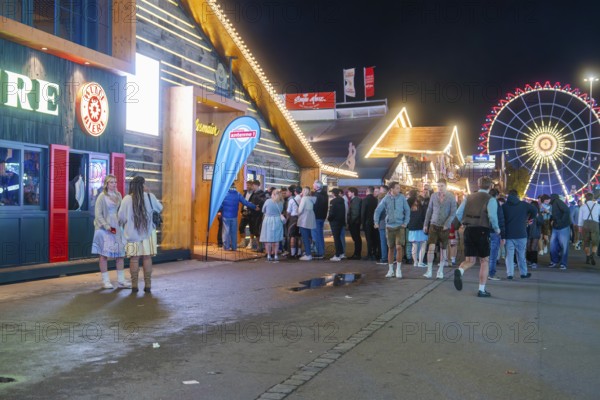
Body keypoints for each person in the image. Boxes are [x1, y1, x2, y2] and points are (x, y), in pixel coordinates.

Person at [454, 176, 500, 297]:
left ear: (478, 186)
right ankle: (481, 289)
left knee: (470, 260)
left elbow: (458, 213)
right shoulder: (490, 199)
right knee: (484, 260)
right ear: (490, 186)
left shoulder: (468, 197)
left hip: (468, 229)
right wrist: (497, 229)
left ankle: (460, 270)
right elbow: (492, 216)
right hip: (482, 230)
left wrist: (461, 224)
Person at [118, 176, 162, 293]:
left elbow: (121, 217)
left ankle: (134, 286)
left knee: (134, 259)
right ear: (143, 185)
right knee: (147, 257)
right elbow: (159, 208)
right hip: (148, 234)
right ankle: (147, 285)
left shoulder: (127, 199)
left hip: (132, 235)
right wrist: (150, 193)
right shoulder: (150, 196)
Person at [91, 174, 128, 289]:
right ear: (106, 184)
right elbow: (98, 215)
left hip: (116, 227)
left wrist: (122, 223)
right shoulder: (102, 196)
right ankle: (106, 281)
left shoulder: (118, 195)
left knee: (120, 254)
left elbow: (121, 211)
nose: (114, 184)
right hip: (104, 229)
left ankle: (121, 280)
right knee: (104, 254)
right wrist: (107, 227)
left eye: (115, 182)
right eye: (111, 182)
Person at [374, 182, 410, 278]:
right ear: (391, 189)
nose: (399, 190)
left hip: (400, 227)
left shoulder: (402, 198)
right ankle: (390, 270)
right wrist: (376, 222)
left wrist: (405, 223)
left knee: (399, 247)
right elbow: (378, 210)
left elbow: (407, 210)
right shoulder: (386, 198)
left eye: (399, 188)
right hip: (389, 227)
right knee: (391, 248)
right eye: (397, 188)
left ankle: (398, 269)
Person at [423, 178, 457, 279]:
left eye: (441, 186)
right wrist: (425, 224)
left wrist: (447, 223)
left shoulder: (451, 197)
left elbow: (453, 212)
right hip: (433, 224)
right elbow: (429, 210)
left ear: (445, 186)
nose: (440, 188)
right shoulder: (433, 196)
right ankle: (429, 271)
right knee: (431, 248)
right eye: (438, 186)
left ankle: (440, 270)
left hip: (444, 227)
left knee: (443, 248)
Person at [503, 189, 537, 279]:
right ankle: (523, 273)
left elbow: (501, 219)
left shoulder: (504, 206)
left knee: (509, 255)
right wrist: (530, 218)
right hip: (521, 233)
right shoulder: (524, 205)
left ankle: (510, 274)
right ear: (517, 196)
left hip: (509, 234)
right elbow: (534, 210)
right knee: (521, 254)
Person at [219, 183, 257, 251]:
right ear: (234, 187)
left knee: (226, 232)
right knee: (234, 232)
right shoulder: (238, 194)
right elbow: (245, 202)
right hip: (234, 216)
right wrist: (254, 207)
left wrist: (219, 211)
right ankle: (234, 247)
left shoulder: (223, 194)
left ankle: (226, 247)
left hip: (225, 215)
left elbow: (220, 205)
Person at [260, 189, 285, 262]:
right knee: (276, 239)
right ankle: (276, 255)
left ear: (273, 194)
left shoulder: (268, 201)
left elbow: (263, 210)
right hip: (277, 220)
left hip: (268, 220)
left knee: (268, 239)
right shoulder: (281, 202)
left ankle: (268, 255)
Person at [487, 188, 506, 280]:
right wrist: (500, 231)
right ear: (497, 195)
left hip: (484, 230)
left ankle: (484, 272)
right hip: (494, 231)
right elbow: (499, 218)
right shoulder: (495, 203)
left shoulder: (485, 202)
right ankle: (491, 274)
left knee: (486, 254)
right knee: (493, 254)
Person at [549, 194, 571, 269]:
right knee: (555, 246)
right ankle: (558, 262)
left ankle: (560, 262)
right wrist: (553, 220)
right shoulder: (555, 203)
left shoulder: (557, 202)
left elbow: (567, 211)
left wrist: (560, 221)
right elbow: (556, 214)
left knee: (555, 245)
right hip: (557, 226)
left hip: (562, 227)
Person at [578, 192, 600, 265]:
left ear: (585, 198)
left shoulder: (582, 207)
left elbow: (580, 218)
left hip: (585, 224)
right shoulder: (598, 206)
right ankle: (592, 255)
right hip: (595, 224)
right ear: (593, 197)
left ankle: (587, 257)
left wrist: (579, 227)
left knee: (586, 242)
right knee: (595, 241)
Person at [407, 191, 427, 268]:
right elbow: (424, 216)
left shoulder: (408, 204)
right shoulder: (422, 206)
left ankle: (415, 262)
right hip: (420, 227)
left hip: (412, 227)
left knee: (414, 245)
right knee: (423, 243)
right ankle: (420, 262)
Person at [297, 186, 316, 261]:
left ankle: (308, 254)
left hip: (304, 219)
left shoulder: (304, 198)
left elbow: (300, 210)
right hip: (310, 218)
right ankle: (309, 252)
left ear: (304, 191)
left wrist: (297, 212)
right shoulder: (312, 199)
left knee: (305, 237)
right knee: (309, 237)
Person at [361, 186, 379, 261]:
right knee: (374, 238)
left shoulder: (365, 200)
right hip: (375, 222)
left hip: (367, 222)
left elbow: (363, 212)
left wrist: (362, 223)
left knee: (369, 239)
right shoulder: (376, 200)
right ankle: (374, 253)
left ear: (367, 191)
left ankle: (369, 254)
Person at [328, 188, 346, 261]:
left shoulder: (333, 201)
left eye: (331, 193)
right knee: (338, 238)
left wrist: (329, 219)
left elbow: (332, 212)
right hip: (341, 221)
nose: (331, 194)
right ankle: (341, 253)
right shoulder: (342, 200)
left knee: (336, 238)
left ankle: (337, 255)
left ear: (333, 193)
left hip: (334, 222)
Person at [312, 180, 328, 259]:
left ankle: (319, 252)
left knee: (316, 235)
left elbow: (313, 206)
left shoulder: (316, 195)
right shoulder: (325, 195)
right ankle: (321, 251)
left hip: (316, 217)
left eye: (314, 185)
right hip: (322, 217)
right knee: (320, 235)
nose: (313, 186)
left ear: (317, 187)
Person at [526, 201, 544, 269]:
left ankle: (534, 262)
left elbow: (541, 223)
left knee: (533, 247)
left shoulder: (539, 214)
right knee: (528, 246)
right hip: (528, 232)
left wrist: (537, 217)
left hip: (535, 232)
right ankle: (528, 260)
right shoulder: (528, 214)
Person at [286, 186, 302, 258]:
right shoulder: (302, 199)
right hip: (301, 218)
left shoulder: (291, 200)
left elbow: (288, 211)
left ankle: (292, 253)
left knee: (292, 236)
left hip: (293, 218)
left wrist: (287, 219)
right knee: (299, 236)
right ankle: (299, 253)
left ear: (295, 192)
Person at [347, 187, 362, 260]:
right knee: (357, 238)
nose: (348, 193)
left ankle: (357, 254)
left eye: (349, 192)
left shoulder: (355, 200)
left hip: (354, 223)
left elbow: (355, 213)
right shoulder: (354, 200)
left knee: (356, 238)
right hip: (355, 222)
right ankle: (356, 254)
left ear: (353, 192)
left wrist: (351, 222)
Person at [238, 180, 255, 248]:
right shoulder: (245, 192)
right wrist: (241, 211)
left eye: (249, 185)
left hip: (251, 212)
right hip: (244, 212)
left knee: (252, 229)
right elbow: (243, 202)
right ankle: (243, 242)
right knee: (241, 227)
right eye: (247, 185)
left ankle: (251, 242)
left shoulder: (254, 193)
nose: (247, 186)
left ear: (252, 186)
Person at [376, 185, 389, 264]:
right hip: (391, 223)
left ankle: (384, 258)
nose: (379, 191)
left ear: (383, 191)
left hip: (382, 223)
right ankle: (393, 258)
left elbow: (379, 212)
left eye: (380, 190)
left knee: (383, 242)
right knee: (391, 242)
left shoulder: (381, 199)